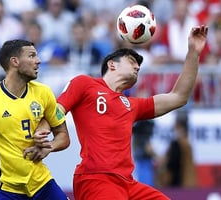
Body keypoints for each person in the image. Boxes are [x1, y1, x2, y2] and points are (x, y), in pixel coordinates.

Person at [35, 25, 208, 199]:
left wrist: (193, 53)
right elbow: (58, 109)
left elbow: (179, 97)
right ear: (112, 65)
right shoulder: (85, 83)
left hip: (128, 183)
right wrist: (43, 131)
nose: (137, 67)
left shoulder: (132, 105)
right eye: (132, 61)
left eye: (139, 65)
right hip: (97, 178)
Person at [0, 39, 70, 199]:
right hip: (5, 188)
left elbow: (63, 136)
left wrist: (49, 147)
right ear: (15, 61)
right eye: (32, 56)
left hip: (41, 182)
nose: (38, 61)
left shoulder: (44, 93)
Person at [156, 110, 197, 188]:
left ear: (177, 124)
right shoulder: (187, 143)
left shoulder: (178, 143)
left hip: (178, 185)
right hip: (186, 184)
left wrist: (160, 160)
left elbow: (171, 164)